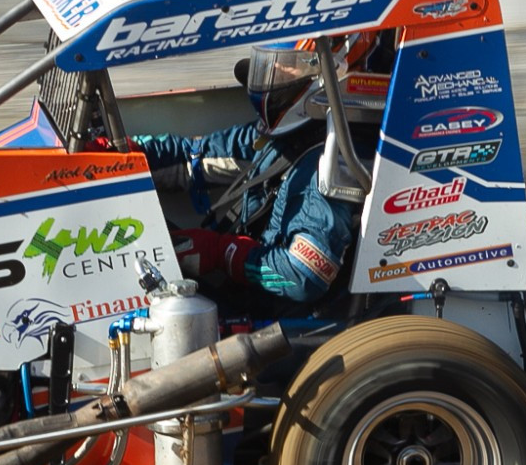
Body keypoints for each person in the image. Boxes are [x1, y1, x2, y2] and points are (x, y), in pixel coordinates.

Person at [132, 31, 392, 305]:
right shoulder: (289, 133)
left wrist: (221, 252)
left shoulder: (333, 160)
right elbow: (195, 155)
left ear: (333, 71)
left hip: (276, 324)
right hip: (246, 293)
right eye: (270, 63)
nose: (274, 71)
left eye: (287, 65)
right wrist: (126, 152)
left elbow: (303, 276)